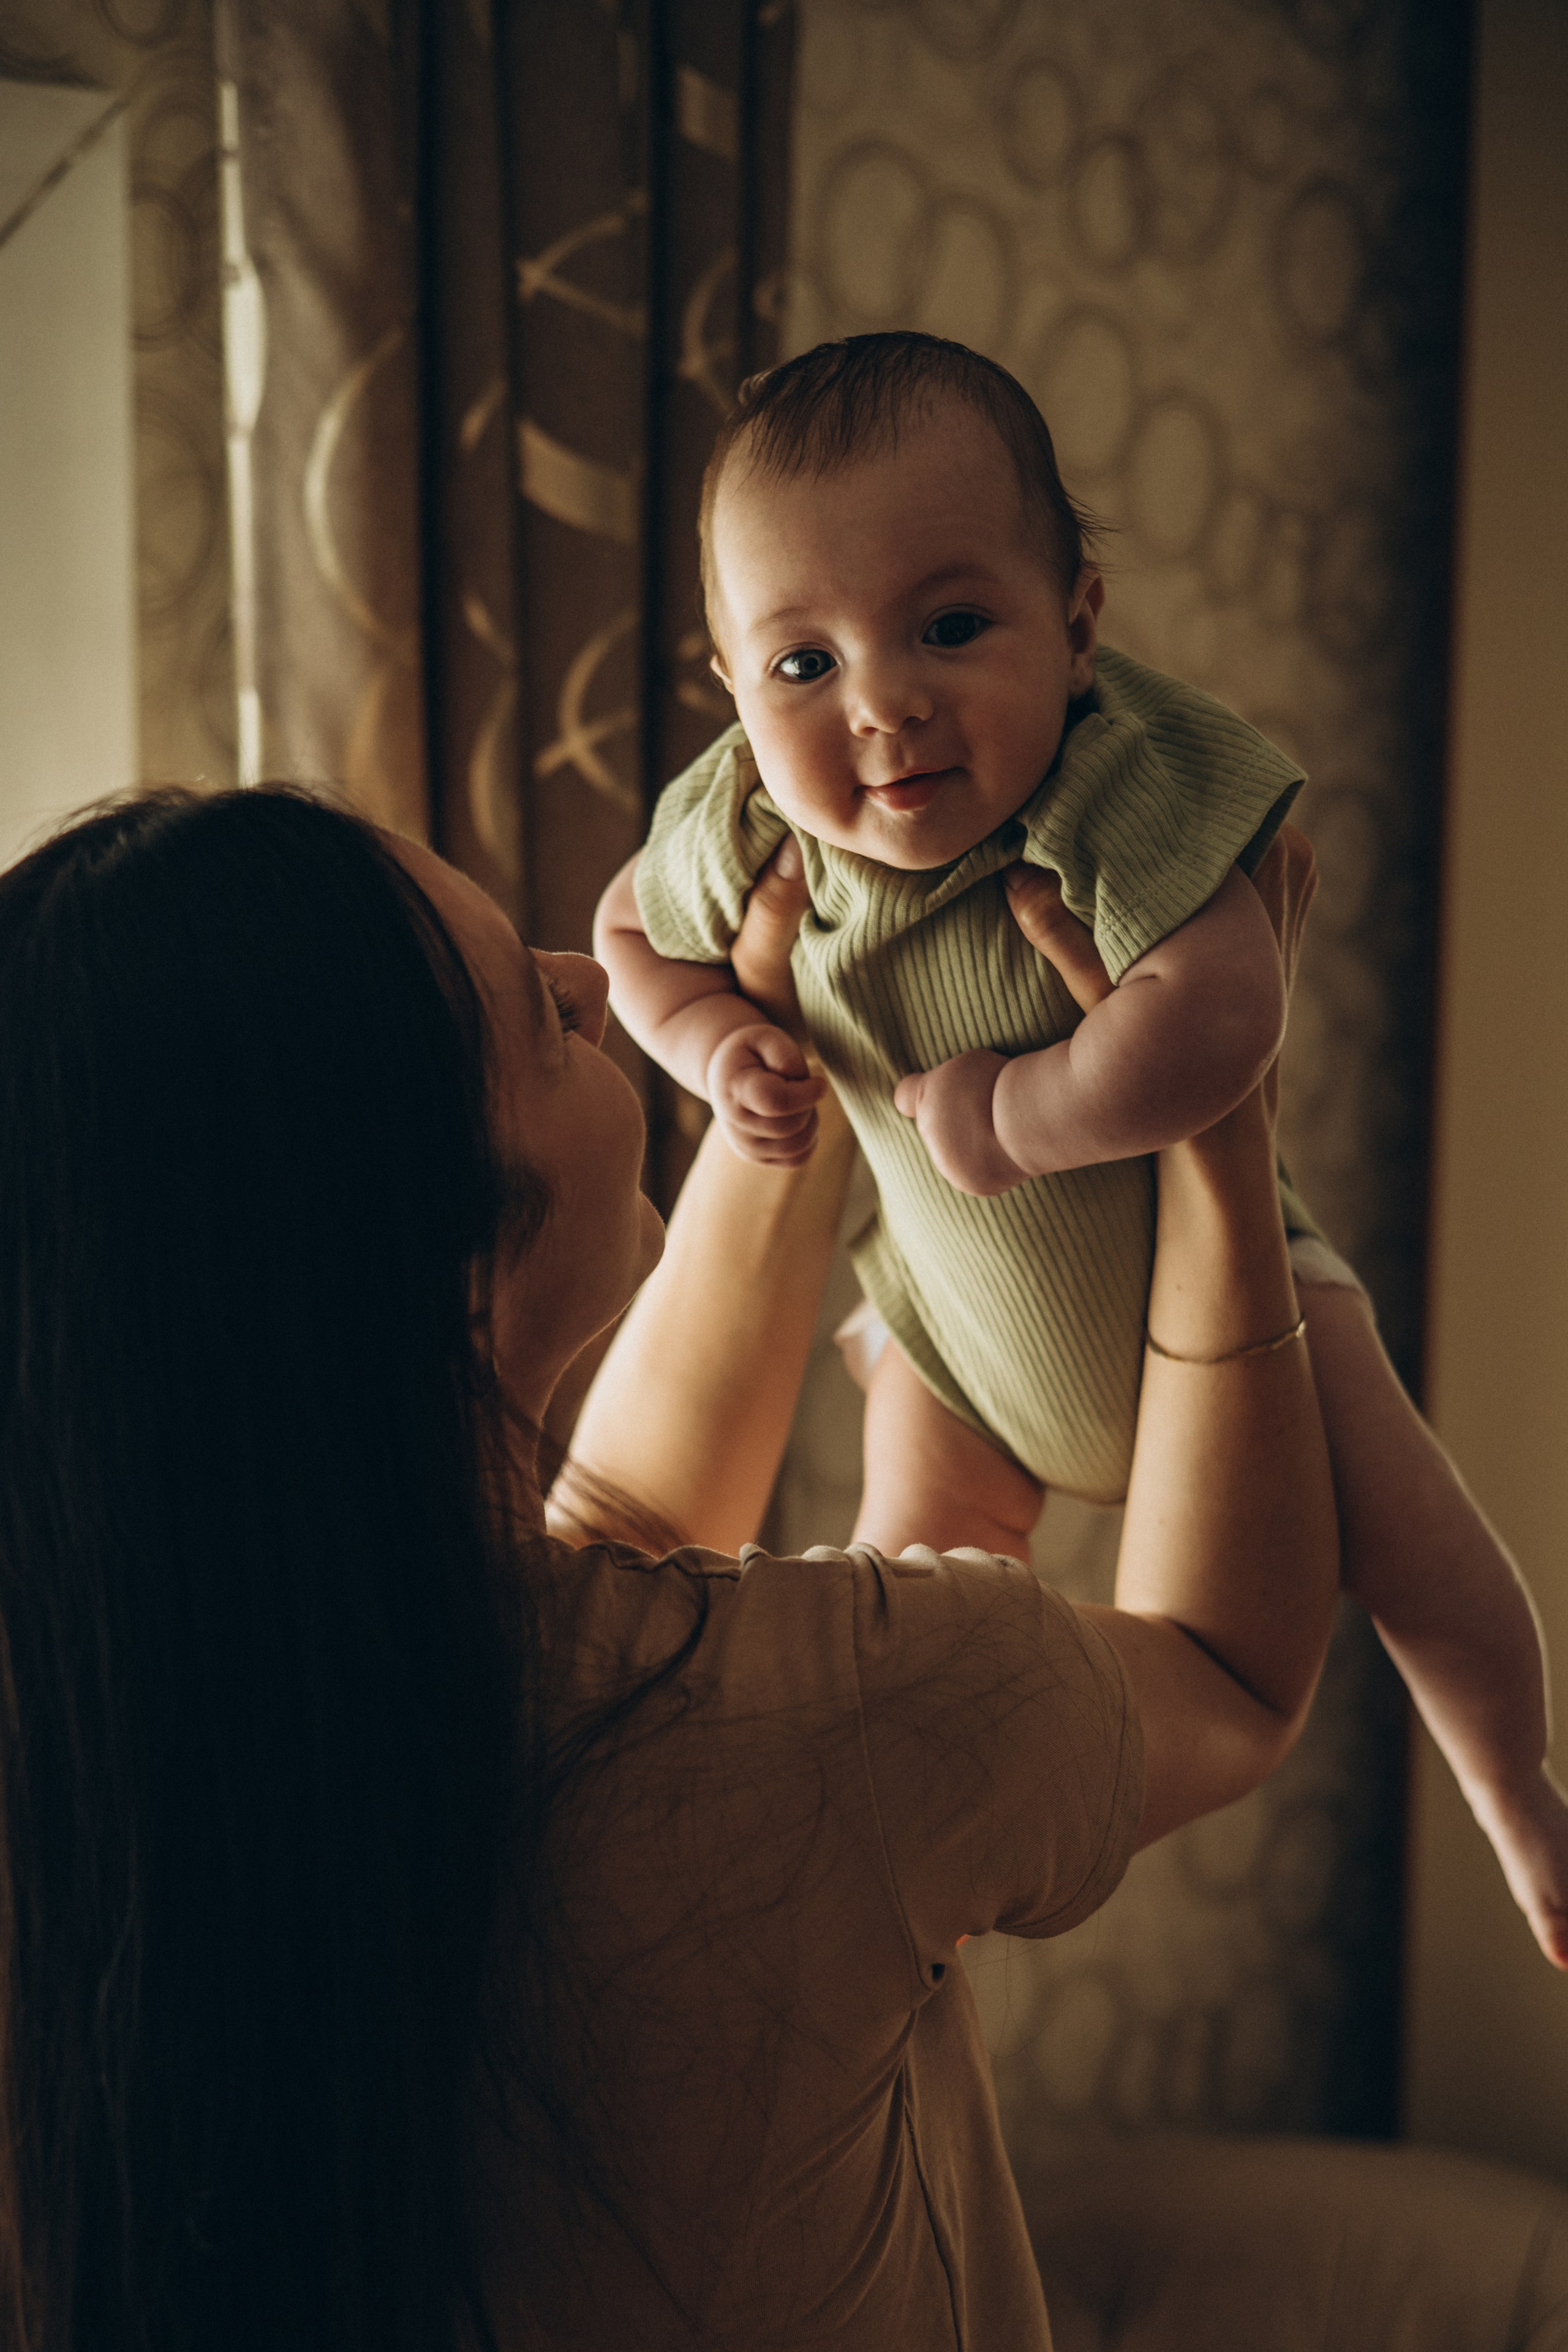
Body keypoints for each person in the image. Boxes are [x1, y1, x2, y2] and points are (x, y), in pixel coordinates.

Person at [0, 783, 1334, 2350]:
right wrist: (1218, 1136)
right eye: (531, 1009)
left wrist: (808, 1049)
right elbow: (1225, 1672)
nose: (587, 974)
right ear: (440, 1251)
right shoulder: (851, 1717)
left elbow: (605, 1551)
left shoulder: (115, 1747)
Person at [595, 329, 1568, 1968]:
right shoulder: (750, 824)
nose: (884, 704)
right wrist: (715, 1040)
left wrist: (1021, 1110)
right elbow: (631, 934)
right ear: (729, 679)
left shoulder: (1117, 784)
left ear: (1082, 628)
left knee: (1422, 1543)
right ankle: (910, 1909)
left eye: (952, 627)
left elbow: (1226, 1010)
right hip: (955, 1342)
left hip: (1232, 1304)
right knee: (906, 1625)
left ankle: (1516, 1781)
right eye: (802, 665)